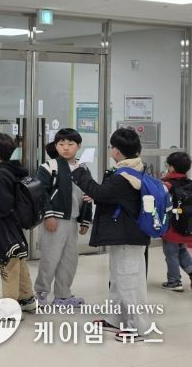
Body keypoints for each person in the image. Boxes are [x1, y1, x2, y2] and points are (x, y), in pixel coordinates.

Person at [71, 127, 150, 340]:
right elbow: (110, 196)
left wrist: (79, 172)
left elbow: (100, 192)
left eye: (112, 147)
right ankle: (116, 319)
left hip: (128, 236)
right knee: (118, 279)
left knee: (129, 282)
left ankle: (137, 327)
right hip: (125, 233)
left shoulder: (125, 176)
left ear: (116, 151)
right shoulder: (134, 169)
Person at [34, 128, 92, 308]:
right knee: (50, 259)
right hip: (54, 221)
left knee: (69, 260)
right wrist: (48, 215)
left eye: (70, 144)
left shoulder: (83, 168)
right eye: (61, 144)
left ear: (78, 146)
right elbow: (41, 193)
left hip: (73, 221)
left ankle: (63, 296)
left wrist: (85, 220)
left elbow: (88, 194)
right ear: (56, 146)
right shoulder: (48, 167)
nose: (65, 148)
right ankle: (41, 294)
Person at [0, 133, 36, 312]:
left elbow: (2, 205)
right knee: (19, 260)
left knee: (8, 265)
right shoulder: (14, 169)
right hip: (15, 224)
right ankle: (27, 299)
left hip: (4, 226)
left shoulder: (0, 174)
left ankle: (10, 309)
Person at [159, 151, 192, 291]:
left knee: (171, 254)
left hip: (171, 229)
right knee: (182, 251)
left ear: (171, 167)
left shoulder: (167, 184)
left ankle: (174, 281)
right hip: (186, 227)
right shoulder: (189, 184)